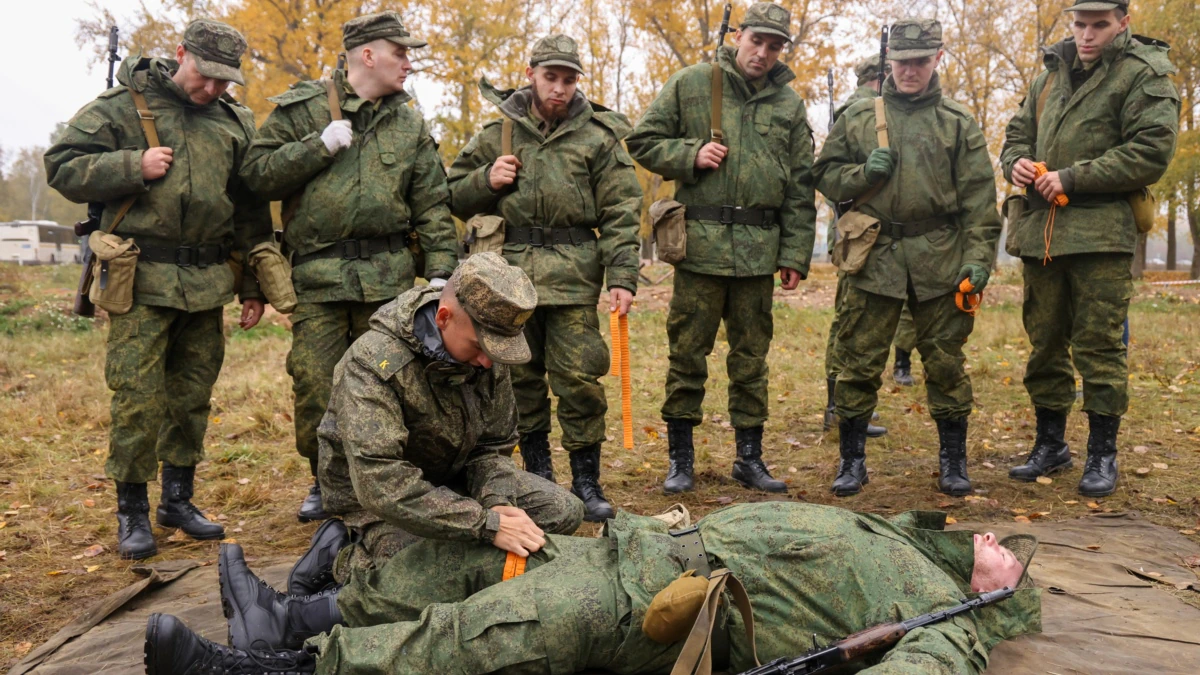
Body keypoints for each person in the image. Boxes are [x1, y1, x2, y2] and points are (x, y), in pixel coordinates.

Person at [146, 501, 1040, 674]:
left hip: (665, 605)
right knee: (466, 563)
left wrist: (983, 603)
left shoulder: (951, 614)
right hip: (641, 547)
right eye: (995, 536)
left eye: (1012, 555)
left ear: (1002, 587)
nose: (998, 539)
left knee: (492, 631)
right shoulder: (900, 534)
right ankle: (287, 616)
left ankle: (279, 671)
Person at [44, 20, 273, 560]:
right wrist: (132, 166)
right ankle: (131, 511)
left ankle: (178, 500)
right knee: (137, 401)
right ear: (180, 55)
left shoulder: (234, 122)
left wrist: (252, 286)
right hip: (142, 279)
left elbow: (249, 210)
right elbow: (61, 166)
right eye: (206, 76)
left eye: (225, 80)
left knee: (192, 397)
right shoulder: (124, 106)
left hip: (206, 282)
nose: (214, 89)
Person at [240, 11, 459, 522]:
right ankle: (325, 481)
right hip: (318, 279)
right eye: (400, 52)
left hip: (388, 281)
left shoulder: (408, 121)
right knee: (317, 383)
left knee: (393, 384)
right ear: (367, 55)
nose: (408, 63)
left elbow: (431, 204)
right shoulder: (305, 109)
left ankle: (390, 481)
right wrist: (316, 147)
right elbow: (255, 177)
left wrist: (443, 273)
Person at [282, 253, 584, 598]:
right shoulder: (374, 363)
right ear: (443, 317)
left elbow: (492, 446)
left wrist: (497, 501)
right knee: (421, 570)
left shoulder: (484, 352)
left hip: (452, 481)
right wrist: (486, 525)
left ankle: (466, 554)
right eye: (480, 347)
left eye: (498, 349)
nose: (488, 361)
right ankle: (341, 555)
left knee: (563, 512)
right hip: (379, 502)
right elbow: (381, 483)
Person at [446, 35, 642, 523]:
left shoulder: (597, 137)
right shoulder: (500, 134)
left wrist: (622, 275)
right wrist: (485, 180)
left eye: (568, 79)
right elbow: (449, 194)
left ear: (577, 82)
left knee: (579, 378)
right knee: (519, 381)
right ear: (531, 73)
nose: (558, 88)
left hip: (574, 276)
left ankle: (586, 481)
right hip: (509, 281)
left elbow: (621, 210)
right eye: (550, 77)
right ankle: (537, 477)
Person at [626, 2, 817, 495]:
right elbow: (642, 141)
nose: (763, 53)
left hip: (758, 253)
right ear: (739, 35)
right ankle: (681, 460)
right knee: (687, 354)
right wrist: (689, 155)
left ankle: (748, 458)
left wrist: (795, 254)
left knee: (752, 359)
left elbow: (799, 187)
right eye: (757, 41)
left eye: (774, 46)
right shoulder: (693, 83)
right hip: (701, 250)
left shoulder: (789, 106)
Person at [813, 19, 1002, 498]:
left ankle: (953, 462)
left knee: (945, 364)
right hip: (873, 258)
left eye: (920, 61)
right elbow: (825, 177)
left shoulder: (957, 123)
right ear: (888, 63)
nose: (911, 71)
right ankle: (852, 461)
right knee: (858, 361)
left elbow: (980, 203)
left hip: (940, 260)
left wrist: (978, 259)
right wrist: (859, 174)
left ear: (937, 58)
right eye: (902, 63)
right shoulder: (858, 118)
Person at [1000, 0, 1178, 497]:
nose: (1087, 35)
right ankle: (1050, 445)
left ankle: (1102, 453)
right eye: (1080, 24)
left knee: (1099, 347)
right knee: (1045, 344)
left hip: (1100, 235)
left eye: (1099, 25)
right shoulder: (1050, 75)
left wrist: (1072, 178)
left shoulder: (1143, 74)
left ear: (1124, 22)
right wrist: (1014, 161)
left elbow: (1151, 151)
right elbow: (1017, 133)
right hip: (1042, 235)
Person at [822, 57, 908, 441]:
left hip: (853, 230)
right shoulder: (861, 111)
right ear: (882, 78)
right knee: (849, 324)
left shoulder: (857, 108)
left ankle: (839, 406)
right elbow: (833, 176)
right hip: (860, 231)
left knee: (848, 321)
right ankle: (838, 407)